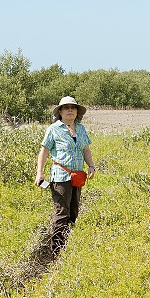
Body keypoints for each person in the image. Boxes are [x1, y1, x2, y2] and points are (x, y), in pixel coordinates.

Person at [36, 96, 95, 257]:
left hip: (77, 177)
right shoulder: (53, 129)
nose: (70, 110)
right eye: (66, 107)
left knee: (74, 212)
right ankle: (56, 253)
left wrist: (91, 165)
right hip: (60, 177)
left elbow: (86, 149)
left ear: (77, 111)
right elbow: (44, 151)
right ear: (60, 111)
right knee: (62, 213)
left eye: (73, 107)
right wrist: (39, 173)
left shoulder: (81, 129)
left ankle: (66, 246)